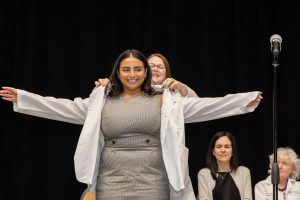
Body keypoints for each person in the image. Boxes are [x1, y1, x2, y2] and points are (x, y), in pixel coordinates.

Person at [0, 49, 263, 200]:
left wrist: (243, 101)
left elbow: (206, 106)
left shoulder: (166, 100)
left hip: (154, 178)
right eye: (126, 69)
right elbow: (65, 108)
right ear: (117, 72)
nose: (132, 74)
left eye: (138, 69)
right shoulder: (101, 98)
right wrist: (24, 98)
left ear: (145, 73)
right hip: (110, 178)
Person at [95, 52, 198, 97]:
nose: (155, 69)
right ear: (145, 71)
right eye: (151, 66)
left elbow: (197, 104)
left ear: (167, 73)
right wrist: (103, 87)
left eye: (160, 67)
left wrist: (181, 87)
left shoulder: (175, 91)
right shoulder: (128, 88)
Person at [197, 131, 253, 200]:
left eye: (227, 146)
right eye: (218, 147)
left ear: (232, 151)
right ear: (213, 152)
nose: (223, 150)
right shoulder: (204, 174)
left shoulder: (244, 172)